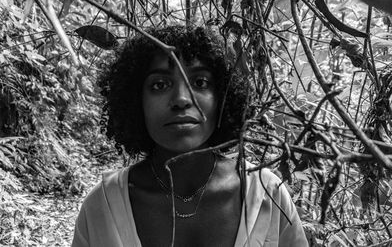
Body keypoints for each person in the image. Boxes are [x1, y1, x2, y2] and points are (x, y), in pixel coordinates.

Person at [71, 26, 308, 247]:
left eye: (200, 82)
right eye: (160, 84)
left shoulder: (268, 194)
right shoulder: (102, 205)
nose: (182, 99)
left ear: (222, 98)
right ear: (135, 101)